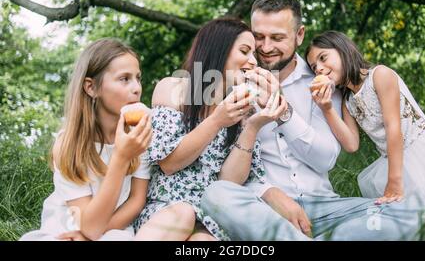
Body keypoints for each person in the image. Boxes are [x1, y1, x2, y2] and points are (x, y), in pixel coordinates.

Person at [201, 0, 425, 241]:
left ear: (299, 35)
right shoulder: (234, 82)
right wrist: (267, 192)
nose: (266, 47)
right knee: (216, 194)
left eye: (278, 38)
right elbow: (222, 172)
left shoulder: (324, 83)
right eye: (259, 37)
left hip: (327, 208)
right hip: (264, 210)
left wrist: (283, 111)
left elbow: (325, 159)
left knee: (414, 213)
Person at [133, 18, 287, 241]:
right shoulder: (174, 89)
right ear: (219, 50)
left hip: (212, 220)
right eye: (245, 51)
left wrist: (252, 127)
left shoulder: (244, 106)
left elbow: (229, 183)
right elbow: (168, 164)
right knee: (183, 214)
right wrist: (216, 121)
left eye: (253, 54)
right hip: (168, 210)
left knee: (203, 240)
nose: (253, 61)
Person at [20, 38, 152, 241]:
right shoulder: (69, 144)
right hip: (67, 227)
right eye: (124, 79)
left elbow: (136, 199)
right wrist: (121, 157)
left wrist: (93, 232)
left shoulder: (139, 136)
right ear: (91, 88)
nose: (136, 88)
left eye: (138, 78)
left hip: (114, 228)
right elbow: (84, 219)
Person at [304, 30, 425, 208]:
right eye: (313, 67)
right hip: (393, 160)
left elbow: (393, 128)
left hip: (422, 152)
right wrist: (326, 108)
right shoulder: (348, 101)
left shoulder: (380, 75)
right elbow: (351, 145)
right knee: (421, 222)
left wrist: (394, 181)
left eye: (323, 58)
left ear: (342, 50)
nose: (318, 68)